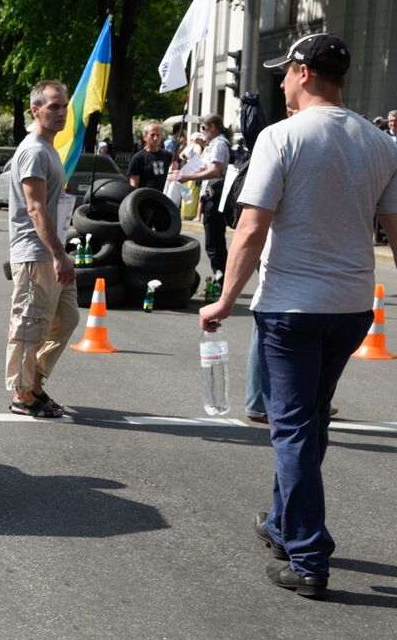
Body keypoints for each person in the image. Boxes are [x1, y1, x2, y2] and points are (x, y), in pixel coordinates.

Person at [199, 33, 397, 599]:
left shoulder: (280, 137)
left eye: (284, 72)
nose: (280, 81)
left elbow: (252, 229)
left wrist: (224, 299)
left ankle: (308, 558)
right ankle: (285, 523)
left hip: (290, 306)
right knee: (310, 420)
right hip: (352, 305)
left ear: (305, 72)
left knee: (291, 428)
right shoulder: (381, 142)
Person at [5, 80, 79, 419]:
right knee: (31, 325)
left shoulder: (50, 149)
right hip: (37, 254)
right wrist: (58, 255)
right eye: (54, 106)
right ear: (36, 109)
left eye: (64, 106)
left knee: (66, 319)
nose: (62, 112)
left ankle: (34, 382)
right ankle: (23, 393)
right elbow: (36, 209)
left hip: (52, 253)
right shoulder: (34, 150)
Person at [171, 114, 232, 275]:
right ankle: (221, 277)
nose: (201, 131)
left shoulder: (219, 144)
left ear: (213, 127)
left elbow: (215, 171)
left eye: (203, 128)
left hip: (215, 195)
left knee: (214, 242)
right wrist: (181, 173)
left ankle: (221, 279)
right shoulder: (213, 144)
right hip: (210, 194)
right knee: (214, 241)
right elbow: (204, 168)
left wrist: (188, 177)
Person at [127, 122, 172, 192]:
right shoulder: (138, 158)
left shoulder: (168, 156)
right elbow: (133, 185)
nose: (155, 138)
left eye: (158, 135)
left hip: (165, 198)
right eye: (152, 135)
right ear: (145, 137)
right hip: (146, 198)